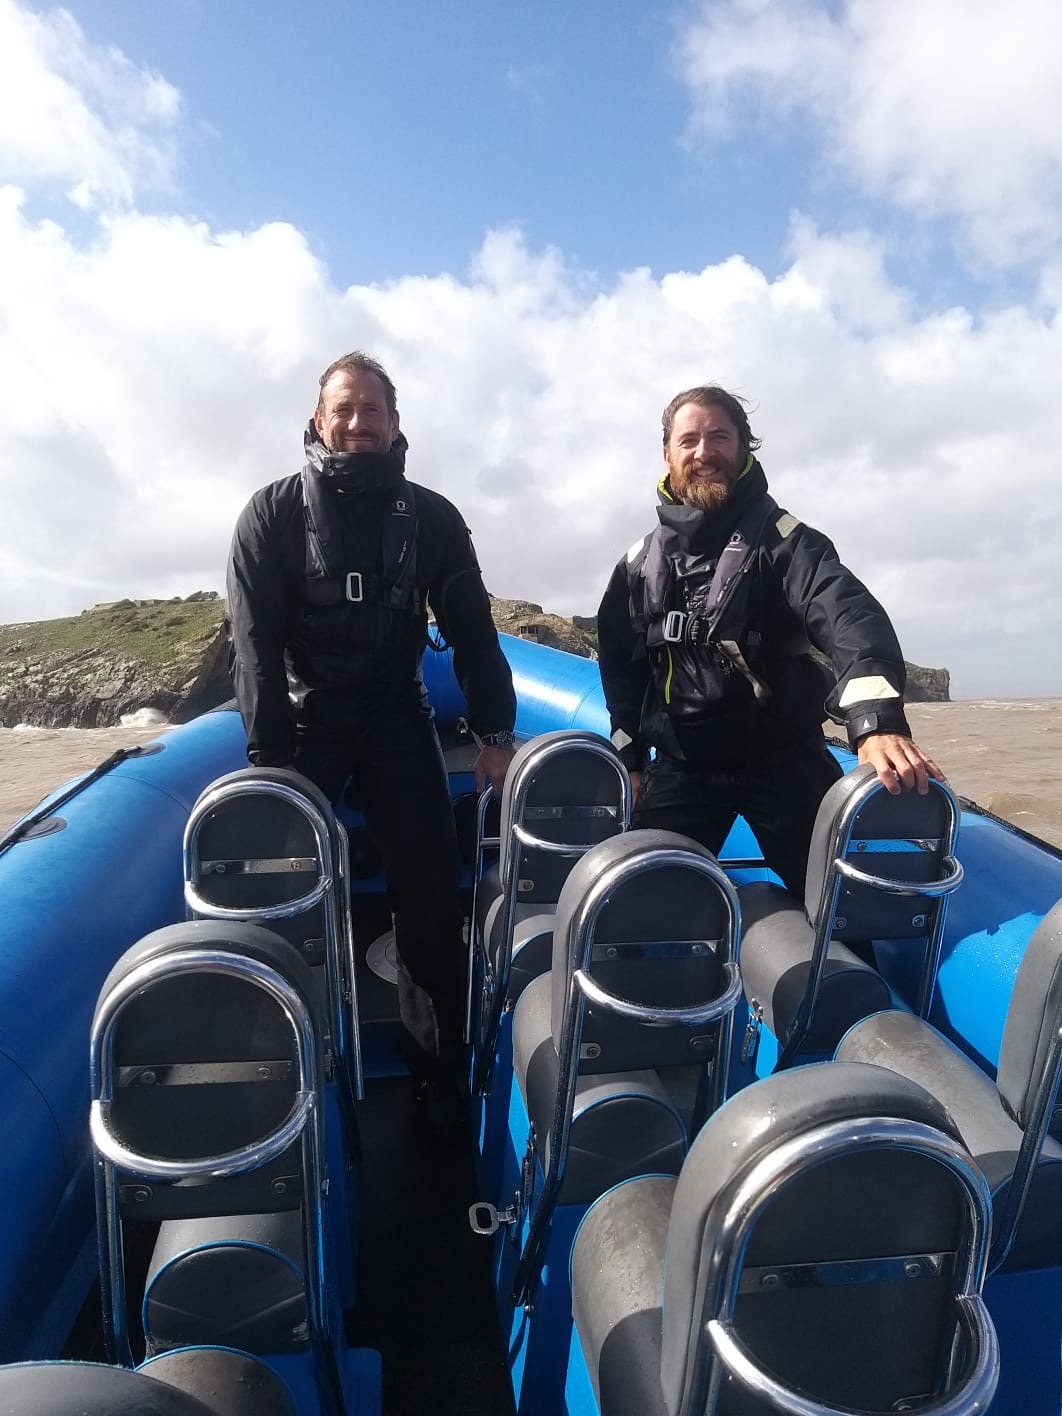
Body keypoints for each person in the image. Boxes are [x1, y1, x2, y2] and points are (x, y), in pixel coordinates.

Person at [227, 351, 517, 1139]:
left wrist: (494, 733)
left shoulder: (432, 517)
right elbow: (253, 647)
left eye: (373, 411)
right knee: (274, 907)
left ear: (396, 423)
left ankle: (438, 1077)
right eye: (343, 410)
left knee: (428, 902)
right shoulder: (271, 514)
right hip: (306, 722)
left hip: (397, 717)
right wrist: (270, 766)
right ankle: (283, 1073)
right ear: (318, 422)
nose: (358, 424)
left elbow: (472, 632)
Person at [597, 384, 943, 898]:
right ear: (667, 454)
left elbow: (847, 612)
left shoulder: (787, 541)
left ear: (743, 448)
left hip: (784, 761)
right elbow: (620, 667)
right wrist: (628, 754)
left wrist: (876, 723)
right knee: (637, 904)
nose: (704, 452)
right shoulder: (636, 566)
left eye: (720, 437)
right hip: (683, 767)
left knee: (840, 909)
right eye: (689, 440)